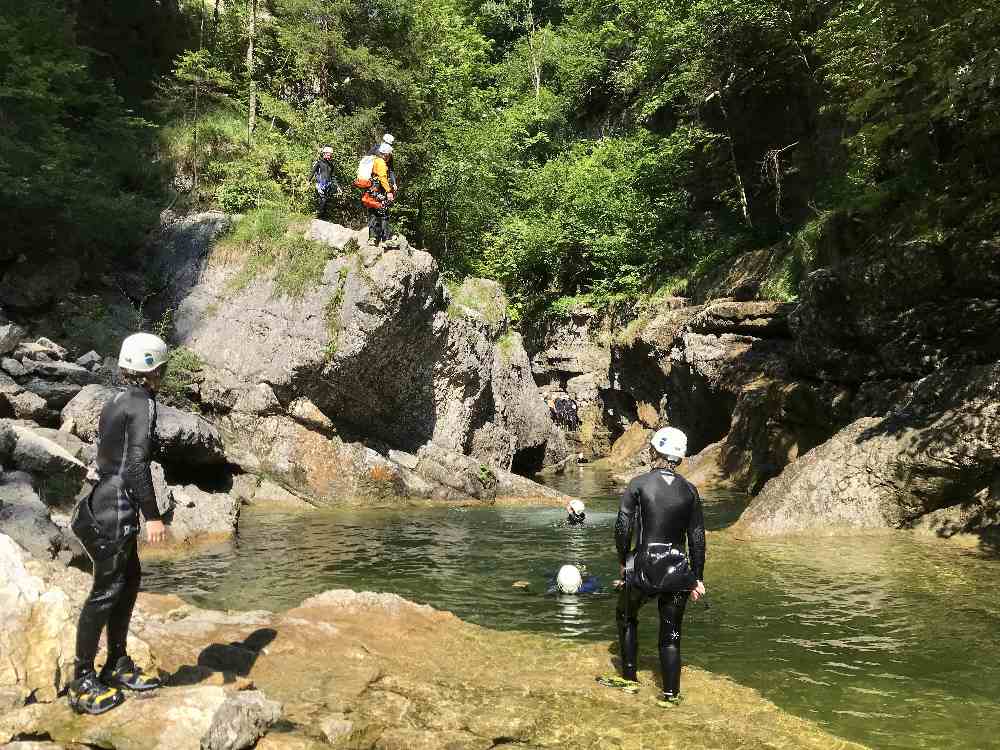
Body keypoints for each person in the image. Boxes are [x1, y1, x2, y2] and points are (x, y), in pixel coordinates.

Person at [67, 333, 170, 715]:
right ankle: (82, 681)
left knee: (128, 582)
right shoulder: (143, 403)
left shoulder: (116, 398)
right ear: (155, 369)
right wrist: (153, 516)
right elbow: (136, 466)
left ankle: (116, 663)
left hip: (103, 501)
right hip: (116, 510)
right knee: (106, 591)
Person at [602, 426, 707, 706]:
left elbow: (623, 527)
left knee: (626, 615)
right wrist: (696, 578)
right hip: (677, 572)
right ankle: (670, 696)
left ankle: (629, 680)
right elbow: (697, 537)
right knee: (671, 635)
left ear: (655, 450)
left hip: (643, 568)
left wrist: (624, 562)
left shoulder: (638, 484)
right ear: (680, 457)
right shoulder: (690, 490)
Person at [364, 142, 396, 247]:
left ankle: (372, 238)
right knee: (384, 213)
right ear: (386, 154)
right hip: (379, 191)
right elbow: (382, 177)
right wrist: (389, 192)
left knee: (373, 212)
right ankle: (386, 239)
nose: (390, 156)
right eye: (389, 154)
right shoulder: (381, 163)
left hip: (372, 189)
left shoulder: (374, 160)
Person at [309, 146, 341, 219]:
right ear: (324, 154)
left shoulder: (331, 165)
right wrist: (308, 181)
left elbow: (333, 177)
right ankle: (317, 216)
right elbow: (312, 172)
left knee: (324, 201)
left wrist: (338, 186)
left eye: (330, 155)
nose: (329, 156)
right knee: (323, 199)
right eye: (328, 154)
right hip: (320, 184)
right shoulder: (319, 163)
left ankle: (321, 217)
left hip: (327, 185)